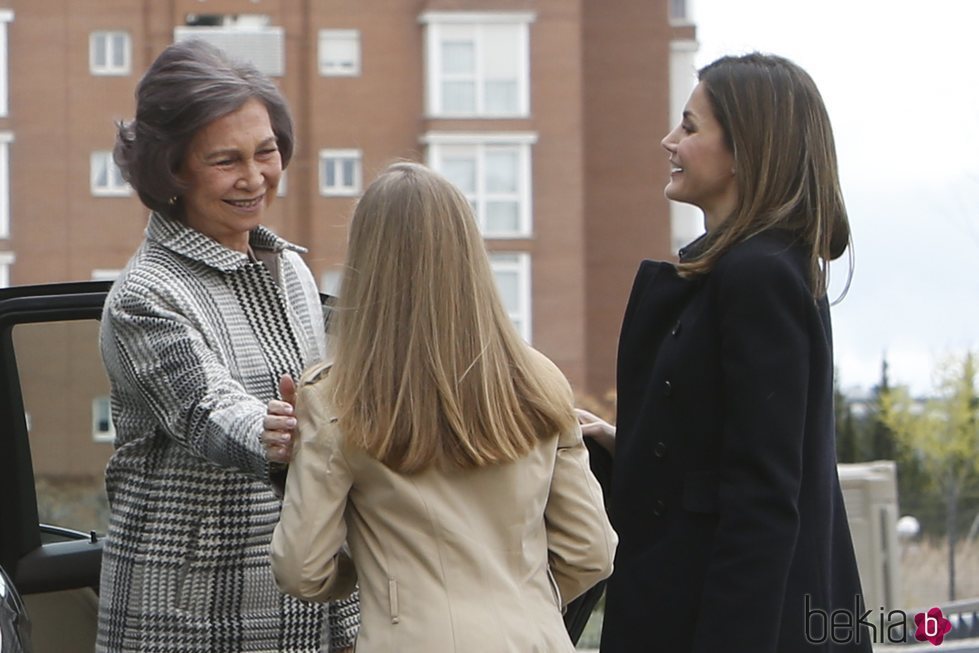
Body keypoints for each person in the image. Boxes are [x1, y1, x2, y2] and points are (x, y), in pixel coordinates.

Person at [267, 161, 617, 652]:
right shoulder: (540, 380)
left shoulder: (337, 396)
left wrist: (372, 578)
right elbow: (592, 552)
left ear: (366, 258)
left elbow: (301, 569)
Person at [587, 53, 873, 652]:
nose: (669, 141)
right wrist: (625, 442)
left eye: (690, 127)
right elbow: (725, 453)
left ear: (746, 149)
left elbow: (764, 499)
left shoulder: (759, 275)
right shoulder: (743, 270)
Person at [97, 39, 358, 652]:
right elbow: (209, 412)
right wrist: (281, 434)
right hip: (186, 615)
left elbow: (338, 396)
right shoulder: (146, 294)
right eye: (225, 161)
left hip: (307, 599)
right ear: (171, 170)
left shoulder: (288, 268)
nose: (254, 177)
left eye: (266, 151)